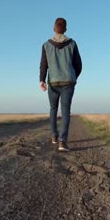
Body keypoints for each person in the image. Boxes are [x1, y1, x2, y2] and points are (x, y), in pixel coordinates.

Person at [39, 17, 82, 152]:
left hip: (52, 82)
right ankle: (62, 142)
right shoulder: (72, 43)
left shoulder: (46, 45)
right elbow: (78, 65)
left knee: (53, 109)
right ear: (65, 29)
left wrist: (41, 80)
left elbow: (43, 65)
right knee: (65, 111)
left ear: (54, 28)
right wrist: (73, 76)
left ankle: (54, 136)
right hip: (68, 82)